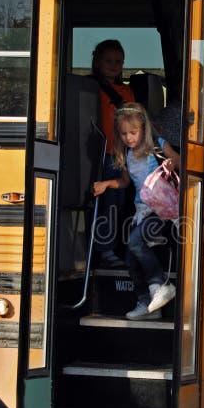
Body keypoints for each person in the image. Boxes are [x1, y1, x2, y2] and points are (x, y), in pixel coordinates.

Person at [93, 103, 181, 320]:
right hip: (141, 209)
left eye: (133, 132)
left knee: (134, 242)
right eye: (123, 134)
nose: (129, 138)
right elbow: (125, 182)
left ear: (144, 128)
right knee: (131, 259)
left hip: (161, 210)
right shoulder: (126, 154)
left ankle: (160, 285)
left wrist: (172, 163)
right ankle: (149, 305)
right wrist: (106, 184)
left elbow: (179, 159)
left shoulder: (157, 146)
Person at [90, 39, 135, 267]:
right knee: (99, 202)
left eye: (118, 61)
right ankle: (101, 249)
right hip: (94, 152)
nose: (114, 65)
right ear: (97, 63)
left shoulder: (126, 91)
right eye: (108, 60)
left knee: (115, 202)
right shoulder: (90, 87)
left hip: (117, 152)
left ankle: (109, 247)